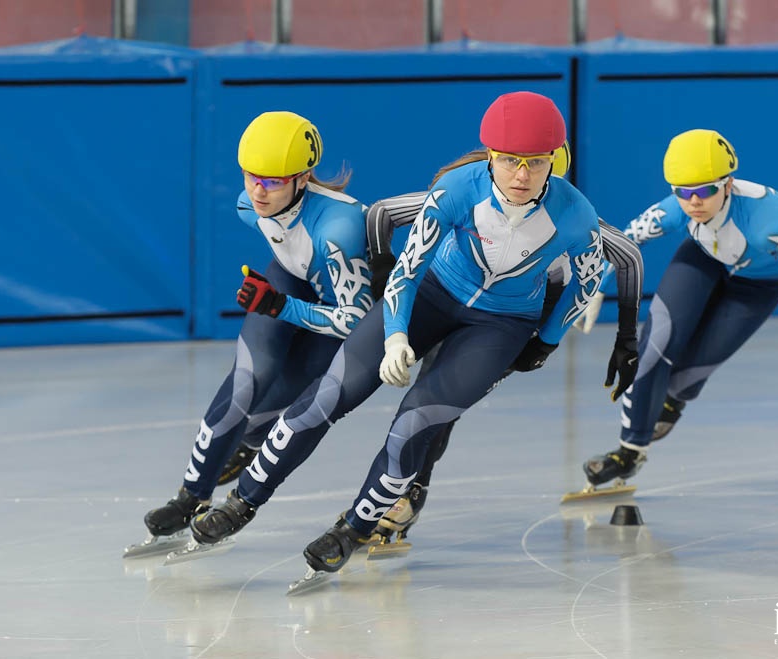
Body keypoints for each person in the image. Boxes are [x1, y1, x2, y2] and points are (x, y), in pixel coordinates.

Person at [189, 91, 634, 576]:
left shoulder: (577, 215)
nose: (522, 176)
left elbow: (587, 284)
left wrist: (545, 342)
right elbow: (408, 266)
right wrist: (396, 333)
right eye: (509, 162)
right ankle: (243, 501)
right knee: (328, 395)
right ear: (490, 156)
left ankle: (354, 528)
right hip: (431, 296)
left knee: (414, 425)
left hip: (500, 324)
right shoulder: (457, 189)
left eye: (535, 162)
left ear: (555, 159)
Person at [361, 148, 643, 546]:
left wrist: (625, 338)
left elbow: (627, 254)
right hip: (454, 288)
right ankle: (397, 494)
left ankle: (408, 494)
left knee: (438, 400)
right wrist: (385, 276)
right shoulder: (462, 196)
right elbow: (381, 213)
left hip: (520, 311)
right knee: (431, 397)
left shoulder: (567, 216)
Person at [132, 111, 372, 551]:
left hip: (340, 310)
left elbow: (353, 319)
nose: (259, 191)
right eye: (251, 177)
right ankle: (190, 496)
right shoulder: (249, 206)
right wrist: (281, 299)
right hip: (293, 283)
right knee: (246, 381)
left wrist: (283, 306)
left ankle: (246, 483)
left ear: (303, 179)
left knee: (289, 402)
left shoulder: (339, 229)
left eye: (274, 181)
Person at [580, 128, 778, 489]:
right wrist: (598, 286)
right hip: (704, 258)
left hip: (759, 283)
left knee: (690, 369)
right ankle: (629, 452)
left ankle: (674, 401)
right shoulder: (678, 208)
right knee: (655, 345)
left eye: (705, 190)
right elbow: (629, 239)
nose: (693, 202)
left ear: (729, 183)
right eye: (682, 192)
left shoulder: (769, 224)